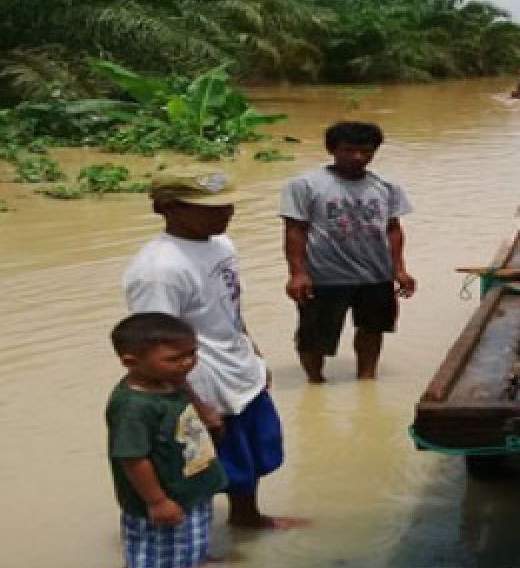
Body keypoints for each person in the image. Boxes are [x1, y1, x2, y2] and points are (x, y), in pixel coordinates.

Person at [124, 166, 305, 530]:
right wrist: (196, 403)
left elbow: (228, 305)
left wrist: (253, 353)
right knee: (195, 469)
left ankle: (246, 517)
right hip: (200, 383)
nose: (224, 214)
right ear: (167, 208)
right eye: (207, 208)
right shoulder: (158, 270)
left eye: (226, 205)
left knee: (254, 456)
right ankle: (192, 548)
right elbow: (153, 347)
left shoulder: (220, 244)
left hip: (238, 368)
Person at [281, 121, 416, 384]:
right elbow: (295, 230)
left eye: (366, 151)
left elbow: (393, 229)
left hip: (375, 274)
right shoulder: (305, 185)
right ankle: (315, 382)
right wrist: (297, 273)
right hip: (323, 275)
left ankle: (367, 379)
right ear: (332, 150)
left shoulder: (386, 186)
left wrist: (398, 269)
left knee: (372, 330)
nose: (358, 157)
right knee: (314, 336)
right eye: (349, 150)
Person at [107, 313, 227, 568]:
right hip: (163, 498)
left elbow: (183, 388)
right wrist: (157, 501)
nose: (187, 363)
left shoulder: (167, 379)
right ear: (131, 362)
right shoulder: (133, 407)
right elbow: (132, 458)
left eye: (192, 353)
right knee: (152, 567)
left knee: (175, 559)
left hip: (187, 491)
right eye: (174, 358)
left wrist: (203, 411)